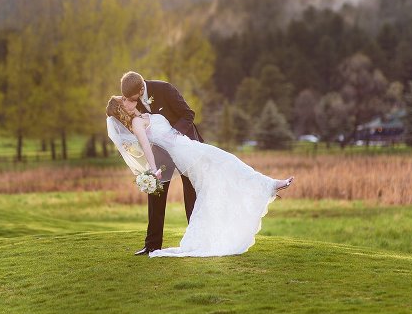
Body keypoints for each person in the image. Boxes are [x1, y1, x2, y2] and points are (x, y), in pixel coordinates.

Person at [106, 94, 294, 258]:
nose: (128, 99)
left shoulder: (145, 115)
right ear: (122, 109)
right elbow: (146, 146)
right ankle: (269, 185)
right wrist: (154, 169)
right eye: (123, 100)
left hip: (189, 147)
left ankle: (210, 233)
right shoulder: (137, 123)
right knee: (227, 162)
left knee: (217, 179)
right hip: (184, 153)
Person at [119, 71, 200, 255]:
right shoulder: (131, 96)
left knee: (191, 191)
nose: (130, 102)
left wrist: (172, 136)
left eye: (131, 98)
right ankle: (152, 245)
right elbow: (118, 105)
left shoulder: (164, 89)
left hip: (183, 146)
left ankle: (196, 240)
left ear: (141, 89)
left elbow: (188, 114)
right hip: (161, 153)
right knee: (155, 193)